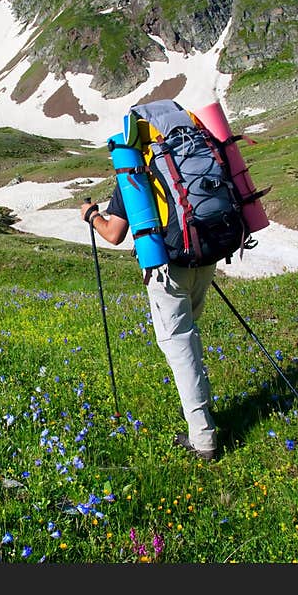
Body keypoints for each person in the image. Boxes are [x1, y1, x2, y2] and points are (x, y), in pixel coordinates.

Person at [81, 187, 218, 461]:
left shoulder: (133, 169)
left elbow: (114, 234)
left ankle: (203, 437)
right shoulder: (185, 152)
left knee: (178, 346)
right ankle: (199, 405)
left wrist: (91, 216)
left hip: (168, 266)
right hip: (206, 255)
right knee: (189, 336)